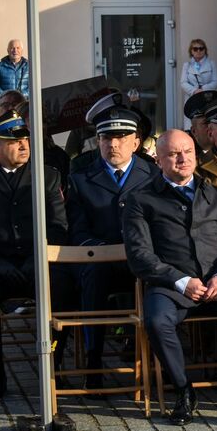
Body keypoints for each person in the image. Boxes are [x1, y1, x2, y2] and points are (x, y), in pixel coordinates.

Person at [123, 130, 217, 428]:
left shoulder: (215, 193)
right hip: (172, 287)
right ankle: (183, 391)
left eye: (188, 152)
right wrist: (181, 281)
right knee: (156, 320)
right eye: (174, 154)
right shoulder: (140, 199)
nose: (183, 159)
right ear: (158, 159)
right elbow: (140, 256)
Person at [0, 111, 77, 399]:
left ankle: (53, 367)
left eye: (25, 139)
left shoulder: (46, 176)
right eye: (14, 141)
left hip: (36, 260)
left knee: (64, 288)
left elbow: (59, 228)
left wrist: (38, 257)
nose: (24, 145)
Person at [66, 106, 159, 388]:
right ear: (97, 140)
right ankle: (94, 361)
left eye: (120, 137)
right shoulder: (81, 178)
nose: (113, 144)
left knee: (161, 280)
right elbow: (77, 230)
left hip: (141, 261)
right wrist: (102, 249)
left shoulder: (152, 175)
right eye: (106, 137)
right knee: (94, 277)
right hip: (101, 259)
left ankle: (156, 358)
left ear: (136, 141)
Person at [183, 90, 217, 156]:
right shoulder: (184, 154)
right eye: (206, 123)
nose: (212, 126)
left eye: (216, 121)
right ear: (194, 131)